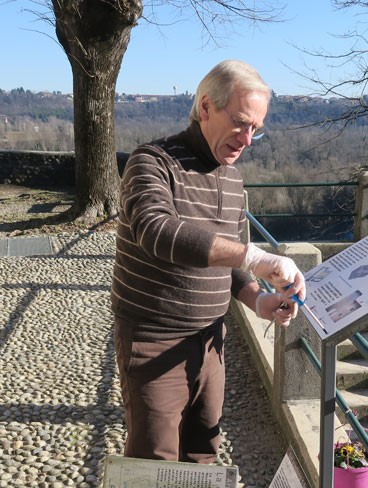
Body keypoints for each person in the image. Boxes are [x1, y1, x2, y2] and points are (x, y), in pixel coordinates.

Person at [111, 59, 306, 464]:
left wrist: (257, 299)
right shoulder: (152, 162)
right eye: (239, 122)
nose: (247, 139)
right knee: (154, 467)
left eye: (256, 128)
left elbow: (227, 260)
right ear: (205, 107)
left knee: (203, 456)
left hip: (211, 344)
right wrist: (254, 256)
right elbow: (156, 230)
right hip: (152, 340)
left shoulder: (232, 179)